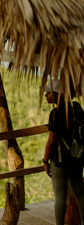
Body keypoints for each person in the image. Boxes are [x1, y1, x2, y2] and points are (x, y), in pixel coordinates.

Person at [42, 79, 84, 225]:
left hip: (61, 160)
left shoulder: (55, 113)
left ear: (58, 94)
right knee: (80, 193)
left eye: (49, 92)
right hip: (78, 156)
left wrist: (45, 161)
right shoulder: (77, 107)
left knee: (60, 197)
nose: (46, 95)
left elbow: (51, 142)